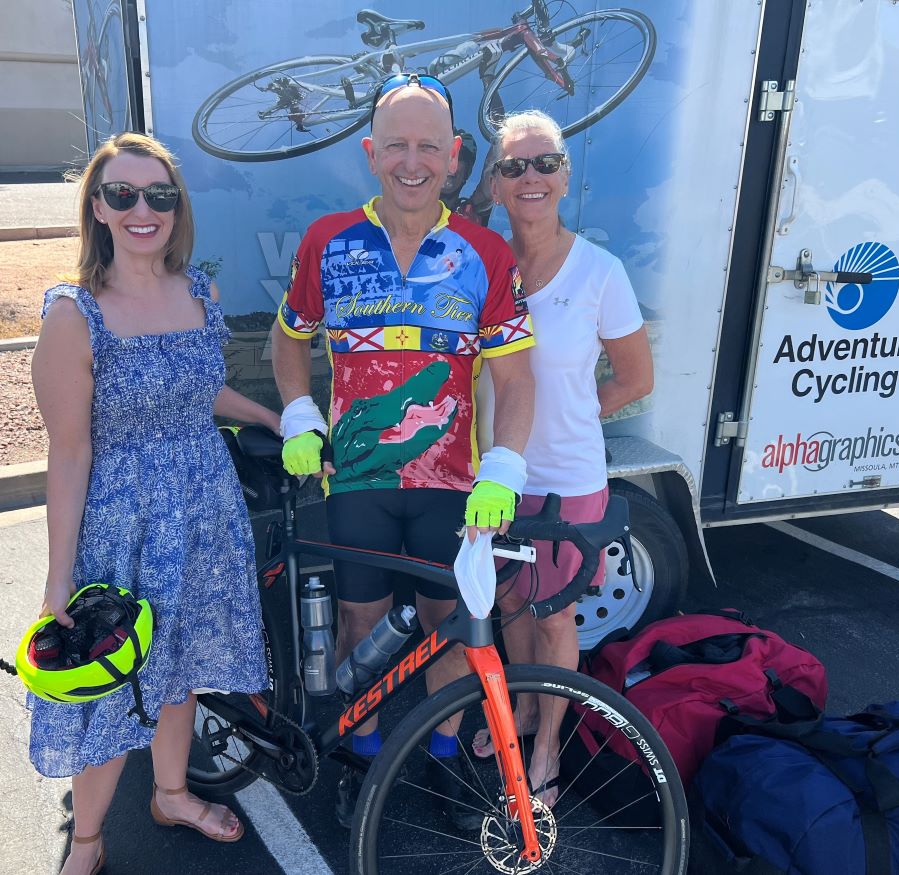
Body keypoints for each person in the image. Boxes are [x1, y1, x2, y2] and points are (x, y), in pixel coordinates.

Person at [270, 73, 535, 829]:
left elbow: (516, 381)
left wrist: (504, 469)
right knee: (362, 628)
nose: (412, 162)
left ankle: (446, 763)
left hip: (454, 486)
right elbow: (288, 343)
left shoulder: (484, 251)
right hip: (355, 480)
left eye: (428, 146)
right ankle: (365, 758)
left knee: (450, 624)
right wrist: (297, 414)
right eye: (396, 146)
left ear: (455, 156)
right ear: (370, 153)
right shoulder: (328, 240)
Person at [30, 132, 279, 875]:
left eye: (159, 195)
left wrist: (268, 415)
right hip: (123, 527)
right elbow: (69, 454)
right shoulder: (74, 314)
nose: (144, 209)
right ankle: (87, 841)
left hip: (205, 511)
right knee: (110, 688)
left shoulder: (196, 289)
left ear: (178, 207)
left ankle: (171, 791)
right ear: (98, 209)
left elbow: (201, 391)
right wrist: (57, 578)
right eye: (124, 194)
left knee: (181, 667)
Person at [471, 110, 654, 807]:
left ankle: (547, 744)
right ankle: (520, 709)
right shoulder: (483, 262)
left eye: (544, 162)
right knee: (511, 604)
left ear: (565, 176)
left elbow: (636, 378)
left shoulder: (600, 271)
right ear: (494, 182)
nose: (530, 177)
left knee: (554, 618)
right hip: (494, 477)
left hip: (567, 480)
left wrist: (575, 408)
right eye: (514, 166)